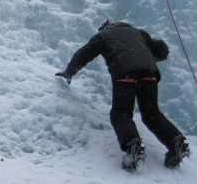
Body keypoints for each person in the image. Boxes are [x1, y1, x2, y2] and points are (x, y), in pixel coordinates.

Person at [56, 20, 190, 170]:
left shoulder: (104, 36)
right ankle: (176, 141)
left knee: (121, 113)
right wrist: (152, 57)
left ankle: (133, 146)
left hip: (125, 72)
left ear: (105, 28)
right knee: (152, 113)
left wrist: (69, 72)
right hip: (149, 73)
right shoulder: (138, 33)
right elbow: (161, 49)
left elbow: (83, 54)